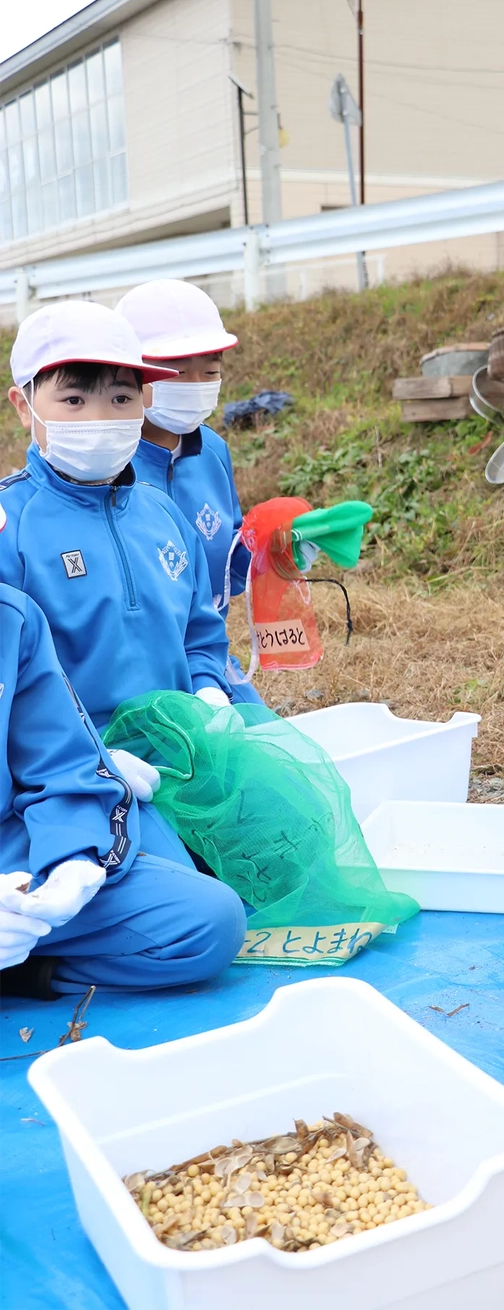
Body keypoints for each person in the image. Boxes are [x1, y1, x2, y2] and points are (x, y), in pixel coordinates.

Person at [0, 504, 246, 1000]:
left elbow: (59, 762)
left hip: (15, 845)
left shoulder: (13, 621)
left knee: (211, 920)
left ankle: (27, 971)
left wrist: (73, 857)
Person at [0, 300, 233, 740]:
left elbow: (200, 632)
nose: (101, 418)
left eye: (121, 398)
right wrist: (88, 762)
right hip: (63, 776)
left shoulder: (163, 514)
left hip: (182, 746)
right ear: (23, 405)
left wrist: (208, 691)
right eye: (74, 399)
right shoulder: (10, 529)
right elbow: (10, 688)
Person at [116, 279, 261, 704]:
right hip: (132, 677)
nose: (196, 384)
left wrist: (275, 552)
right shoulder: (106, 463)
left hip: (210, 661)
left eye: (210, 371)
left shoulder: (211, 450)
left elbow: (229, 563)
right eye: (178, 371)